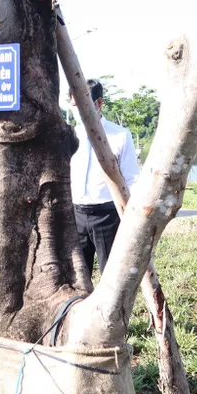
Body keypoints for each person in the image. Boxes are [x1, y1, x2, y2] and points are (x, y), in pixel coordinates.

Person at [69, 78, 139, 274]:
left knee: (112, 274)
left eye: (81, 105)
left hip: (108, 215)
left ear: (98, 104)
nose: (77, 110)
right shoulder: (70, 135)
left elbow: (131, 178)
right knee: (78, 277)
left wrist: (130, 216)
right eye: (73, 105)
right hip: (75, 215)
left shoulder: (120, 136)